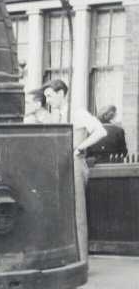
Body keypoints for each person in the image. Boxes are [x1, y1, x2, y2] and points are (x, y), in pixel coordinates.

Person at [43, 79, 107, 261]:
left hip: (75, 165)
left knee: (78, 212)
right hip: (60, 166)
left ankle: (81, 260)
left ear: (61, 93)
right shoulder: (55, 115)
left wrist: (80, 147)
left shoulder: (78, 113)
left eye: (50, 96)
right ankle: (66, 256)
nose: (47, 101)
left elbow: (101, 131)